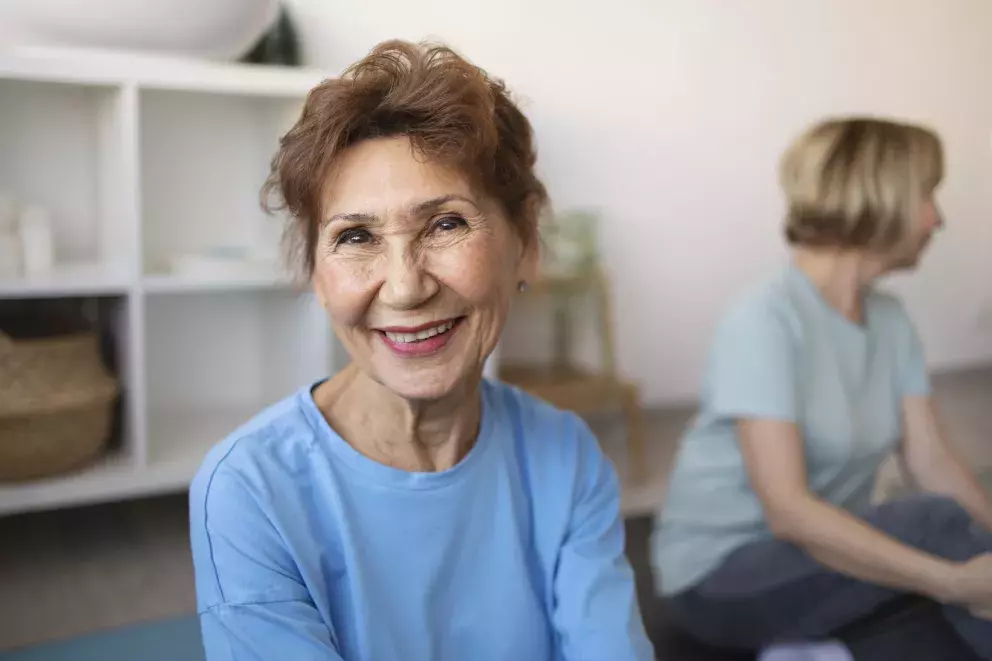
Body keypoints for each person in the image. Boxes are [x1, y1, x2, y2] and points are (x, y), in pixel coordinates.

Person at [188, 39, 653, 661]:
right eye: (355, 236)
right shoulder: (248, 490)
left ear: (526, 246)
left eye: (446, 224)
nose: (406, 287)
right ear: (317, 277)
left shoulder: (565, 457)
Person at [652, 117, 992, 658]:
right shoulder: (764, 319)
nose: (938, 219)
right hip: (722, 576)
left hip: (826, 555)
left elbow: (932, 462)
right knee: (933, 525)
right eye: (928, 196)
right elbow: (789, 511)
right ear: (884, 200)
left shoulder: (890, 319)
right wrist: (950, 580)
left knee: (947, 565)